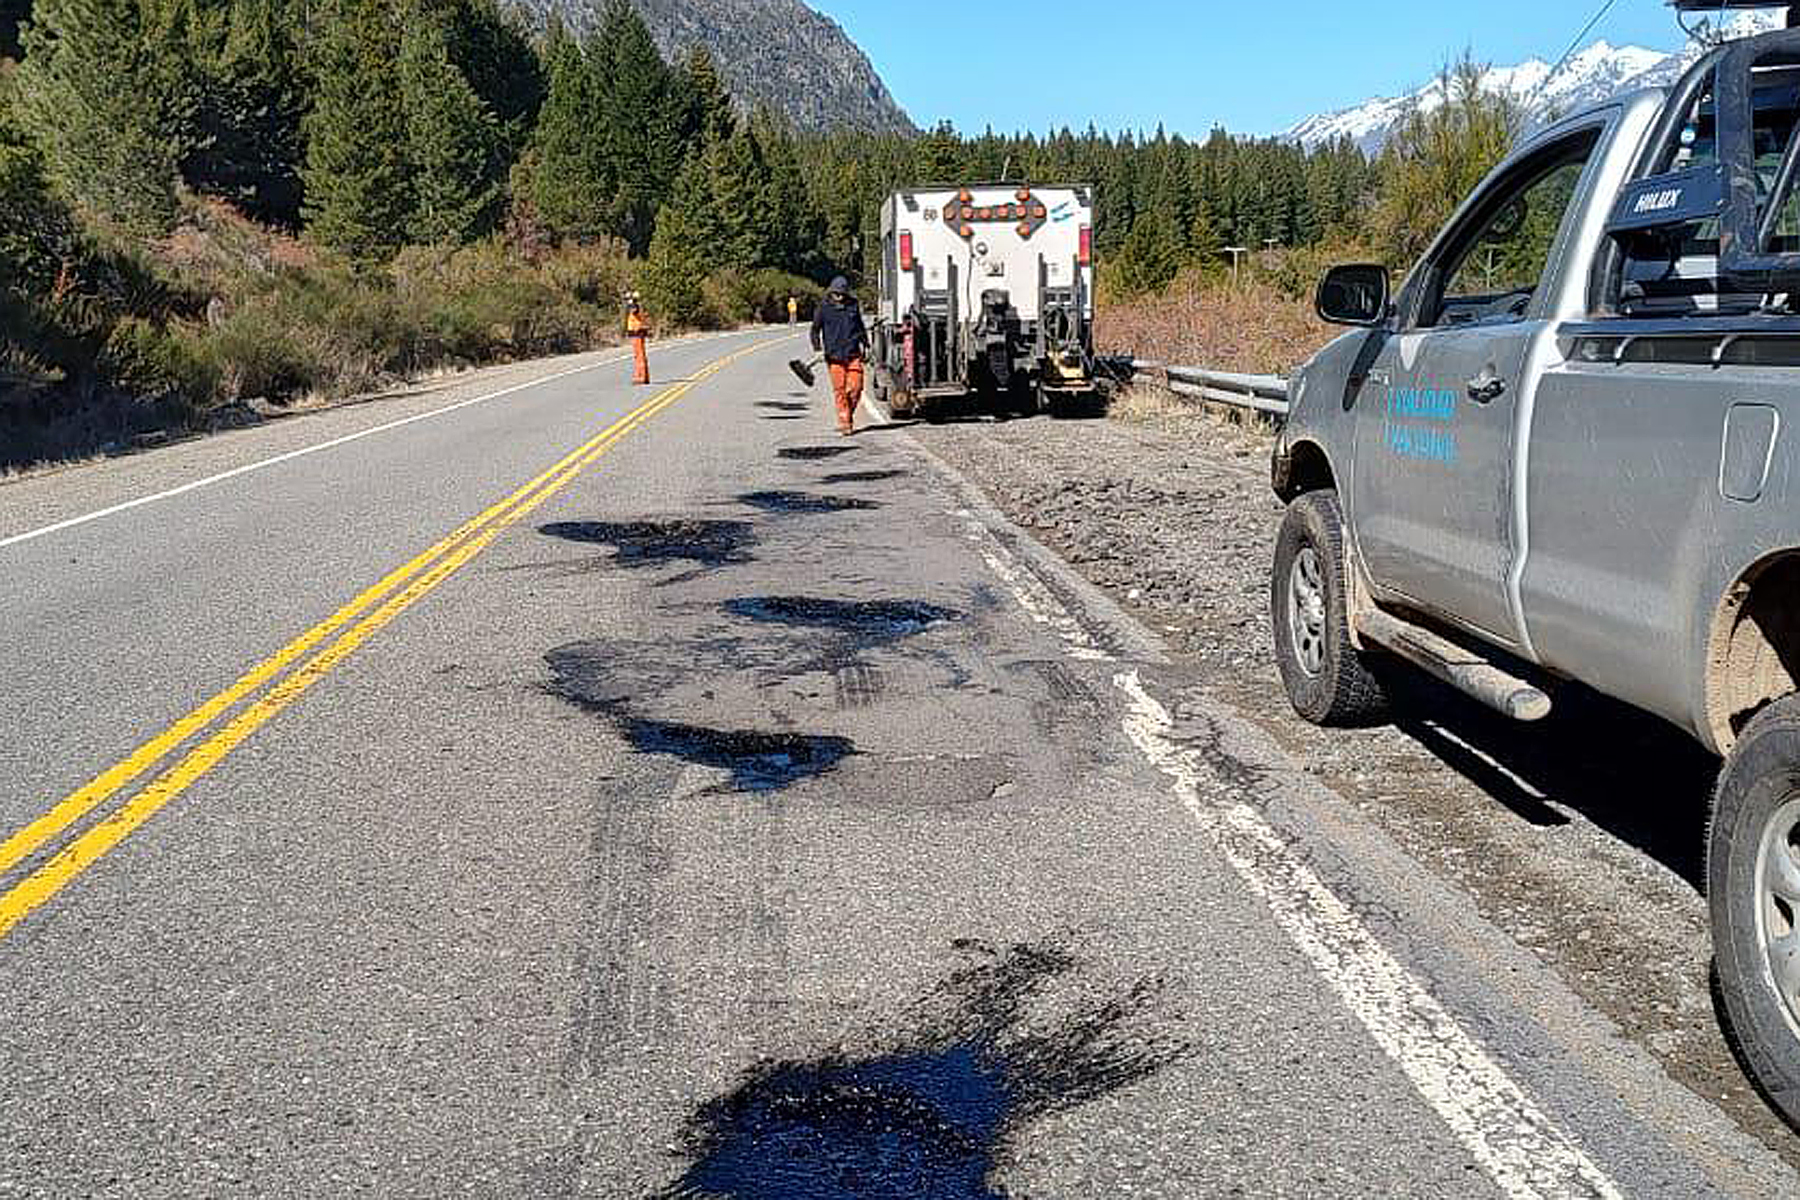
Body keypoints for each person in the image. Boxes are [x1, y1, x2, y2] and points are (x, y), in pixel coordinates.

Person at [810, 277, 867, 436]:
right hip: (834, 357)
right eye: (836, 293)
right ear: (831, 292)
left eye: (842, 294)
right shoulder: (823, 308)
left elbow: (860, 326)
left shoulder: (853, 305)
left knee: (855, 388)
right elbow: (814, 330)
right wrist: (817, 349)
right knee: (840, 390)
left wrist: (866, 344)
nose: (839, 296)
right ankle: (845, 422)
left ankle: (848, 413)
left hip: (853, 354)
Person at [624, 292, 650, 385]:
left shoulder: (635, 307)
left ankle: (641, 377)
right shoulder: (638, 307)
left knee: (639, 356)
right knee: (639, 355)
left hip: (637, 333)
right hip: (637, 333)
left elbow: (633, 310)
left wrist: (631, 301)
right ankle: (644, 376)